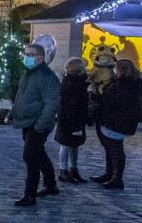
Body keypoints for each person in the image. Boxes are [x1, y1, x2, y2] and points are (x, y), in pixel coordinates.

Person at [8, 43, 61, 206]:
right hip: (27, 121)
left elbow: (52, 103)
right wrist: (13, 112)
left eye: (30, 54)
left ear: (40, 57)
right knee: (38, 153)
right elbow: (21, 95)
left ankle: (29, 194)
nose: (26, 57)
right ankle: (51, 185)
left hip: (38, 123)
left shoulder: (47, 76)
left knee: (30, 156)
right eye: (25, 53)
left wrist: (40, 125)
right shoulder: (28, 73)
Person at [91, 59, 142, 190]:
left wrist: (98, 97)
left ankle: (116, 178)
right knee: (111, 148)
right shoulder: (128, 83)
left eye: (117, 69)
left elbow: (114, 101)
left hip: (117, 121)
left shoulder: (126, 85)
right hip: (117, 120)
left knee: (115, 150)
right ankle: (110, 174)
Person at [54, 57, 89, 183]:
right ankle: (63, 171)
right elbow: (70, 104)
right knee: (67, 145)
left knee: (74, 145)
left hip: (75, 119)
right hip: (70, 119)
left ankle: (73, 169)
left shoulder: (77, 83)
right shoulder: (71, 84)